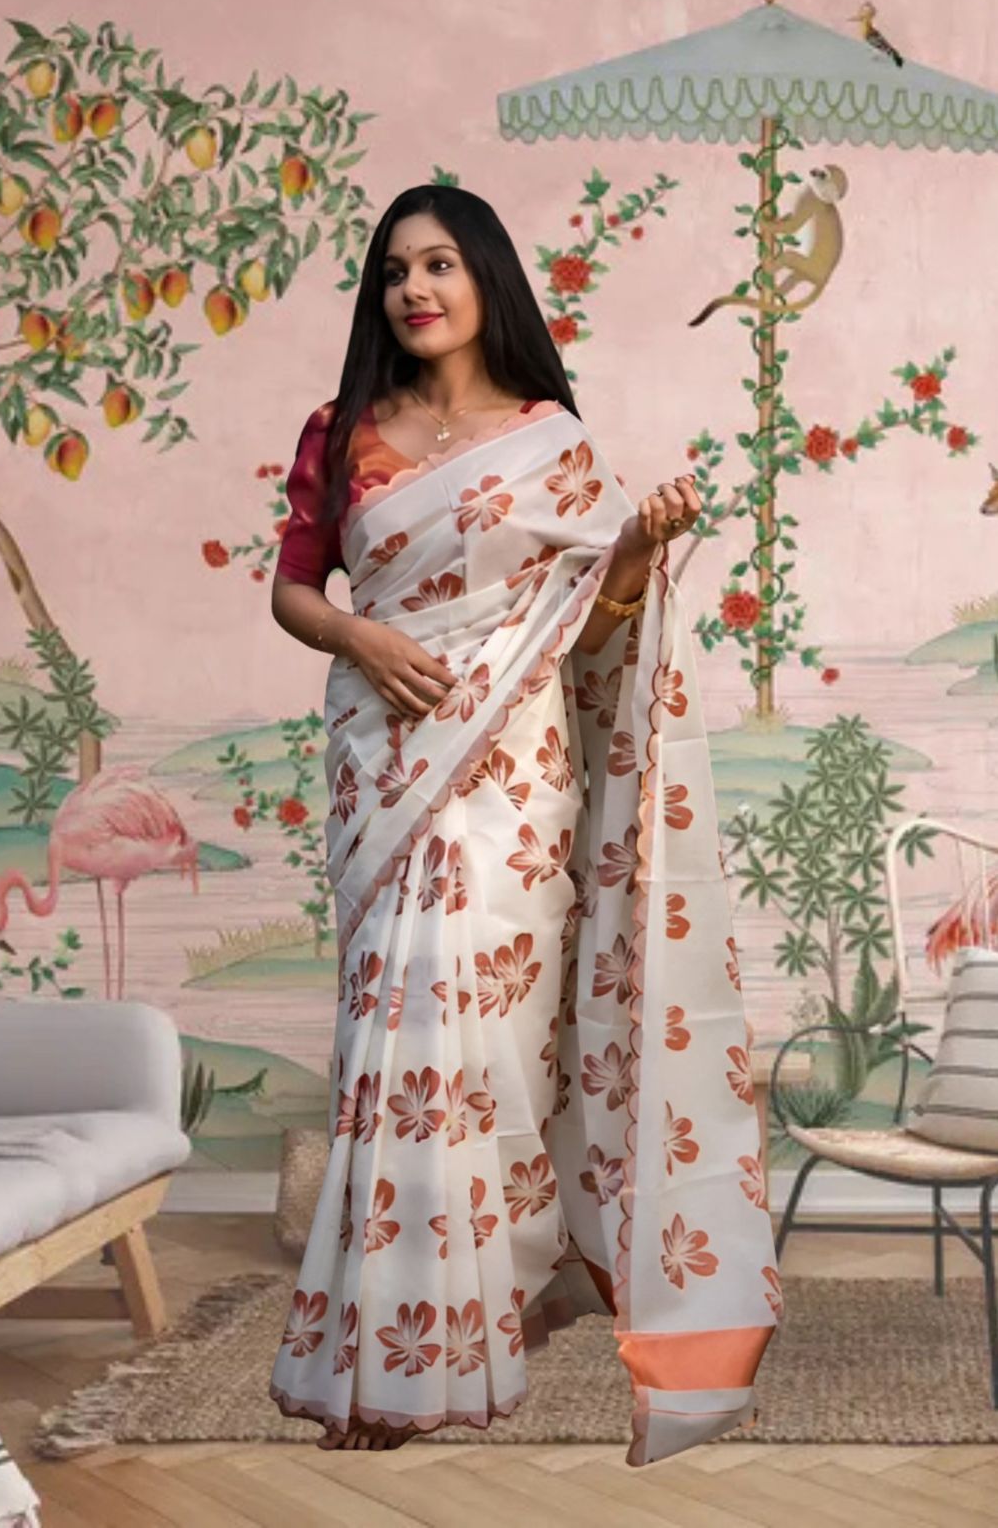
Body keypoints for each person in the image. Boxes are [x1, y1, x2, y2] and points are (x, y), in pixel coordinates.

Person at [268, 184, 780, 1467]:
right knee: (389, 1033)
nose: (414, 289)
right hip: (380, 762)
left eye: (439, 263)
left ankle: (480, 1320)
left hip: (509, 772)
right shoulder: (346, 433)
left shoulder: (551, 442)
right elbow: (294, 585)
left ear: (488, 277)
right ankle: (379, 1364)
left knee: (478, 1039)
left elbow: (591, 640)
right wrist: (358, 631)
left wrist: (633, 556)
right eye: (394, 271)